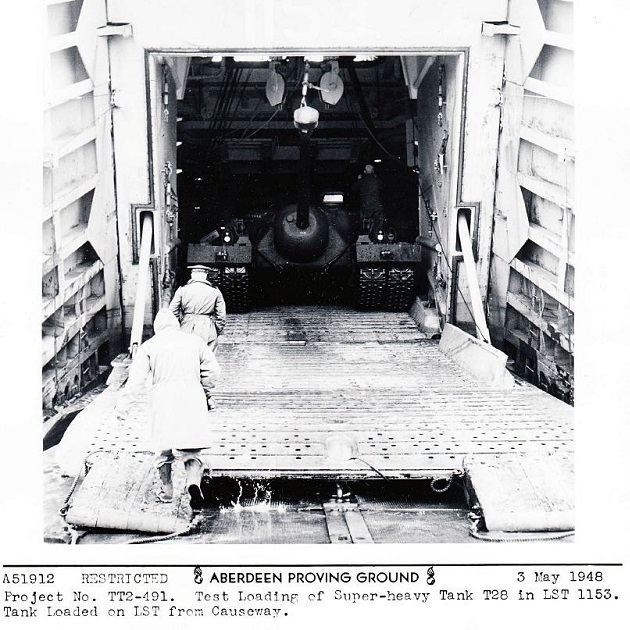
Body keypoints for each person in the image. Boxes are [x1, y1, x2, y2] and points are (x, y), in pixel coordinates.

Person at [114, 309, 221, 509]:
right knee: (191, 449)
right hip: (191, 397)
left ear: (157, 327)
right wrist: (204, 390)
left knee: (163, 449)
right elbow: (213, 371)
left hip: (162, 400)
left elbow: (136, 380)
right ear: (176, 325)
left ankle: (166, 492)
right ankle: (193, 484)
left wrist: (123, 408)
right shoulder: (195, 342)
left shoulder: (149, 346)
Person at [170, 264, 227, 359]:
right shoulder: (215, 291)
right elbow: (221, 316)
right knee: (207, 358)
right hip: (207, 327)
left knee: (186, 357)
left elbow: (172, 311)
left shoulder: (182, 290)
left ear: (192, 275)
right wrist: (216, 329)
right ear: (205, 276)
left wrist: (179, 324)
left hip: (186, 326)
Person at [354, 164, 385, 241]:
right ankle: (377, 235)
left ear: (365, 171)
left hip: (365, 206)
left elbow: (354, 188)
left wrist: (358, 180)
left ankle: (364, 235)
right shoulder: (376, 180)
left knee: (362, 220)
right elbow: (383, 186)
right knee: (378, 221)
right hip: (376, 206)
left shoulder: (362, 180)